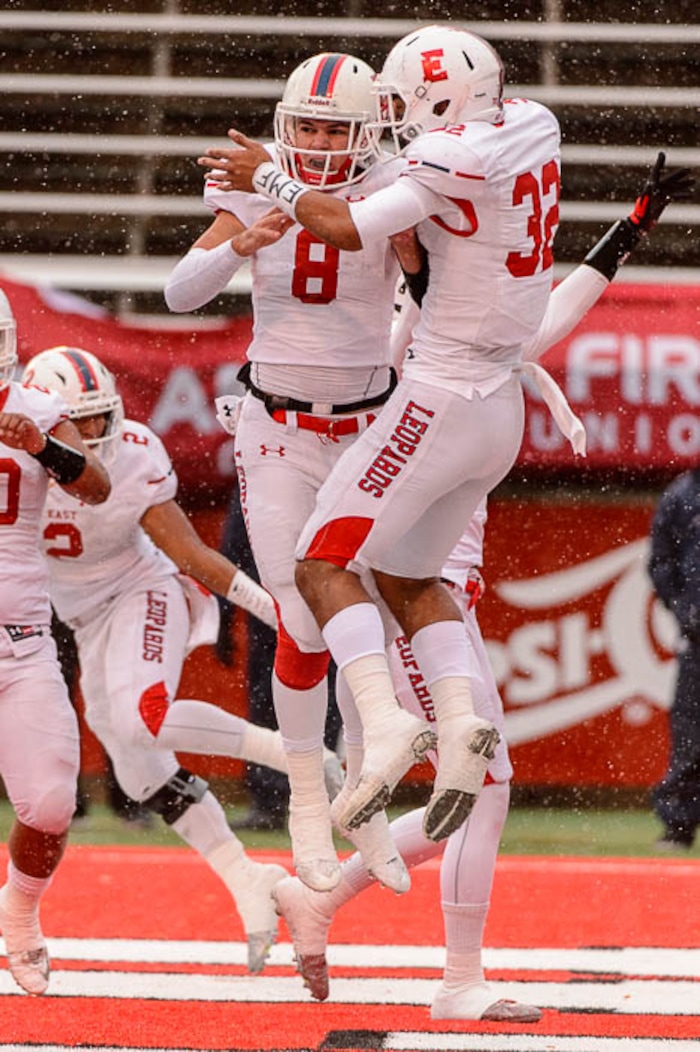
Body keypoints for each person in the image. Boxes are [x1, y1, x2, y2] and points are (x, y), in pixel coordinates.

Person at [198, 24, 696, 846]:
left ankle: (387, 733)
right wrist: (627, 234)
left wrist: (275, 181)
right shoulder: (530, 126)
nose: (396, 122)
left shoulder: (438, 194)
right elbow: (553, 310)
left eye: (404, 103)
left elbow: (350, 228)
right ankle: (459, 726)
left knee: (319, 563)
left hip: (438, 401)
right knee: (399, 576)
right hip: (496, 410)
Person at [270, 156, 694, 1021]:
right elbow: (389, 381)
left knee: (481, 786)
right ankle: (452, 973)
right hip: (408, 594)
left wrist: (634, 225)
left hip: (434, 593)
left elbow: (565, 301)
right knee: (485, 782)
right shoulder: (416, 340)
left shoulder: (480, 332)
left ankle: (327, 900)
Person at [167, 51, 423, 895]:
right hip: (276, 427)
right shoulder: (252, 186)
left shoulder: (394, 182)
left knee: (366, 623)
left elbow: (421, 274)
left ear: (369, 134)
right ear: (286, 122)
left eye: (334, 129)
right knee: (302, 624)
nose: (317, 141)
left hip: (366, 427)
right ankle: (310, 801)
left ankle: (366, 796)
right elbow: (180, 294)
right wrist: (239, 241)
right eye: (306, 126)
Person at [21, 343, 341, 974]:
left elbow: (192, 554)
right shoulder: (16, 465)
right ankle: (246, 878)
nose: (95, 434)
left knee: (147, 716)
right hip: (82, 619)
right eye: (77, 424)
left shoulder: (135, 452)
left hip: (145, 587)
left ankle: (292, 754)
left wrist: (270, 610)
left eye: (100, 417)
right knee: (140, 773)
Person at [0, 292, 111, 996]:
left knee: (48, 806)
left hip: (18, 639)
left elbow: (98, 486)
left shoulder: (33, 407)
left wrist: (42, 446)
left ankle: (19, 915)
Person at [647, 470, 700, 852]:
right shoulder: (683, 494)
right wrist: (684, 610)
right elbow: (661, 561)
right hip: (698, 638)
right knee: (691, 733)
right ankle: (678, 825)